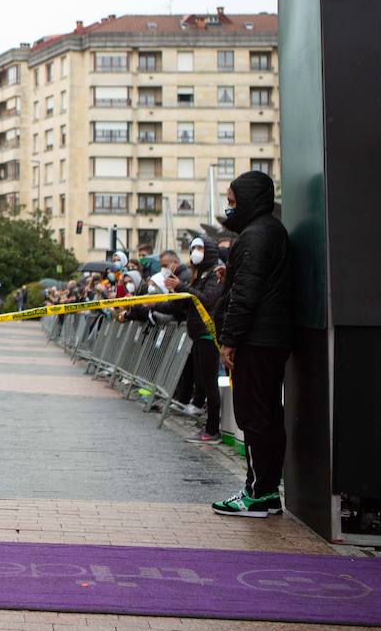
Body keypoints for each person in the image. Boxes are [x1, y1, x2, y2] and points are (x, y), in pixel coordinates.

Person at [211, 171, 294, 518]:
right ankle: (264, 491)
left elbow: (246, 295)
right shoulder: (268, 232)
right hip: (269, 339)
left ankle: (258, 493)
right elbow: (249, 282)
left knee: (255, 416)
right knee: (267, 415)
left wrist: (229, 341)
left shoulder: (256, 235)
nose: (229, 210)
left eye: (232, 203)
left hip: (256, 342)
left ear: (248, 200)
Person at [158, 237, 226, 444]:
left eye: (200, 248)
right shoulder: (200, 275)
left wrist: (181, 287)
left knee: (209, 382)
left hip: (208, 334)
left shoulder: (216, 275)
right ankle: (208, 425)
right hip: (197, 334)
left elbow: (205, 300)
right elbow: (188, 305)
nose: (196, 251)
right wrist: (173, 293)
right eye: (194, 248)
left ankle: (213, 429)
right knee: (202, 381)